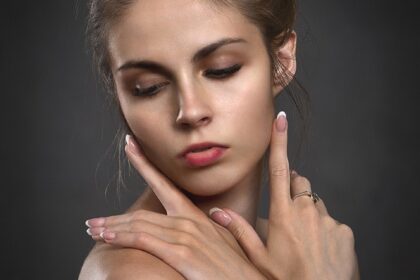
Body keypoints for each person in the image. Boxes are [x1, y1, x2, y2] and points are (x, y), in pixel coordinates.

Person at [79, 0, 359, 279]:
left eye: (221, 69)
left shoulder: (313, 255)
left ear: (281, 63)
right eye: (148, 88)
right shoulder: (134, 272)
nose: (190, 111)